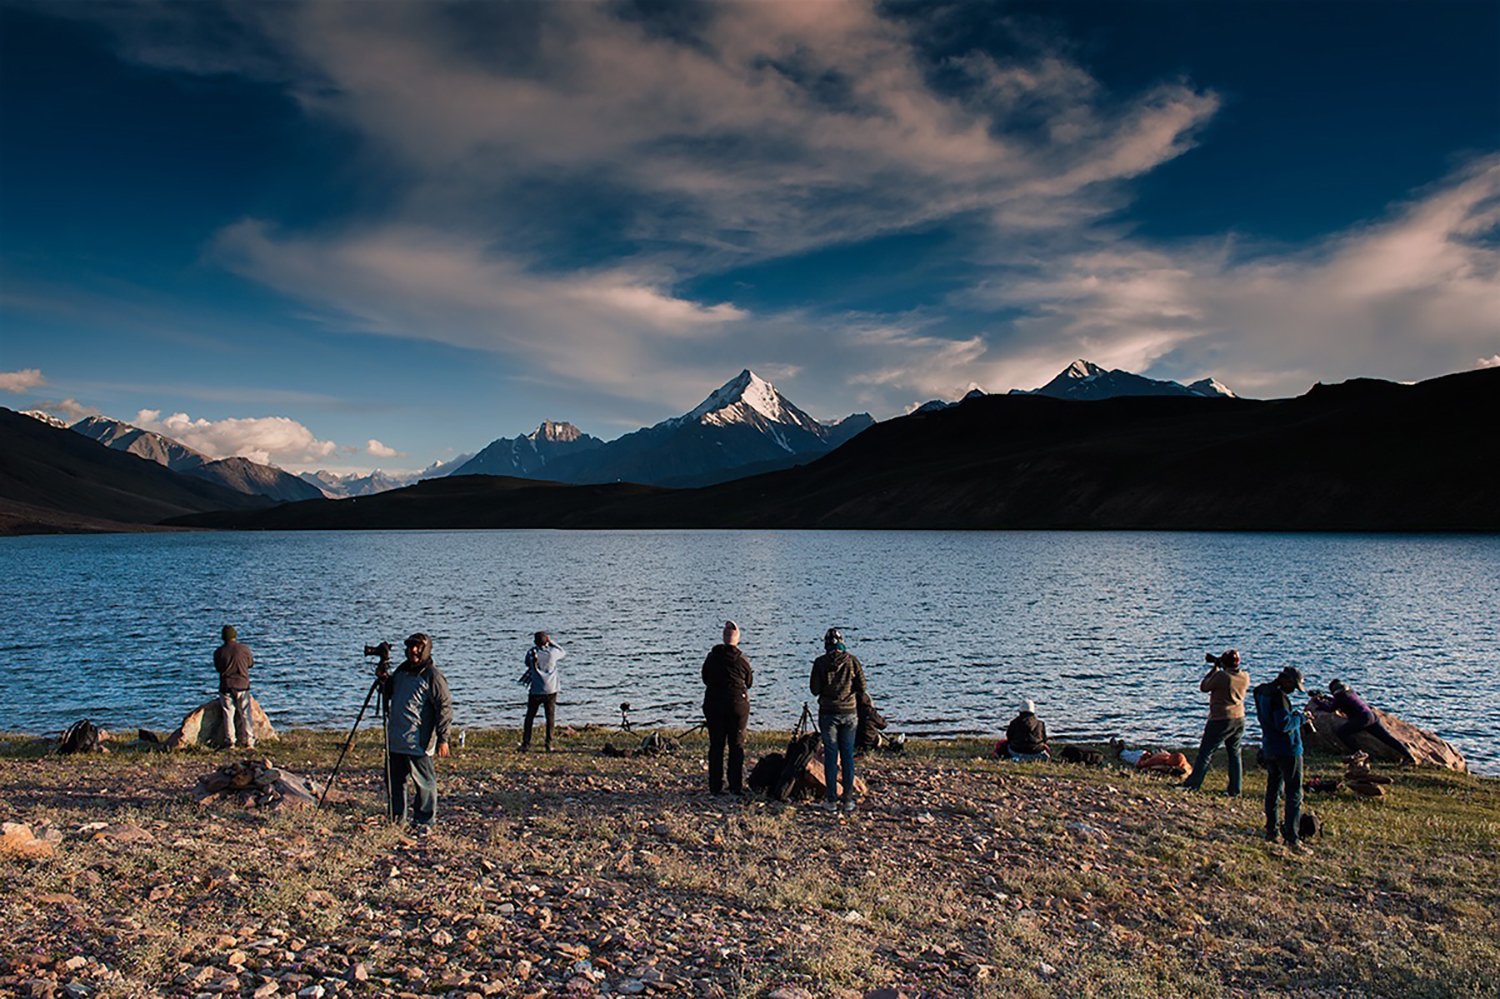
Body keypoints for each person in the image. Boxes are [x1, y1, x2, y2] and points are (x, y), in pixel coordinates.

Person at [384, 632, 452, 832]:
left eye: (418, 647)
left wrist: (443, 738)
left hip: (419, 741)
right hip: (396, 739)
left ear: (426, 649)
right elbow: (388, 693)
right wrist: (383, 679)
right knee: (395, 782)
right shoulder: (401, 671)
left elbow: (444, 707)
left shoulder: (433, 675)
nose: (413, 651)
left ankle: (424, 821)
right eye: (410, 646)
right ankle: (397, 819)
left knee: (425, 783)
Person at [810, 627, 867, 813]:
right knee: (848, 754)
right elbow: (862, 686)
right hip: (849, 712)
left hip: (828, 713)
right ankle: (848, 799)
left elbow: (814, 689)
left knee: (831, 755)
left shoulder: (819, 662)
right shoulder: (852, 661)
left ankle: (831, 799)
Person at [1180, 649, 1250, 795]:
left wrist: (1214, 669)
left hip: (1220, 719)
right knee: (1235, 755)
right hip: (1239, 718)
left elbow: (1204, 686)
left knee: (1206, 753)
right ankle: (1235, 790)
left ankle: (1193, 785)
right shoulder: (1245, 676)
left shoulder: (1222, 676)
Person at [1254, 666, 1308, 853]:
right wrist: (1301, 718)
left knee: (1273, 790)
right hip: (1288, 750)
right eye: (1293, 686)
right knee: (1294, 793)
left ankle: (1272, 831)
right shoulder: (1280, 698)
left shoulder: (1261, 691)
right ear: (1286, 681)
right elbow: (1284, 724)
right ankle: (1292, 839)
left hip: (1269, 747)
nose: (1293, 690)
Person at [701, 619, 753, 795]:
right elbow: (749, 681)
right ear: (737, 639)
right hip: (737, 705)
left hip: (714, 703)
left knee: (716, 745)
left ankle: (715, 785)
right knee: (736, 745)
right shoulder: (742, 659)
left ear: (723, 638)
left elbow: (705, 678)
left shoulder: (712, 657)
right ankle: (735, 785)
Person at [1323, 680, 1418, 765]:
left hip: (1361, 719)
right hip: (1371, 716)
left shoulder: (1340, 697)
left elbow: (1330, 709)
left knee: (1342, 732)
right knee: (1387, 738)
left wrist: (1318, 702)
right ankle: (1409, 757)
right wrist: (1326, 698)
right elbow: (1337, 702)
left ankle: (1358, 753)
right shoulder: (1350, 692)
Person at [518, 631, 565, 752]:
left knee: (530, 717)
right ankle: (548, 743)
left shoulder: (531, 653)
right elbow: (563, 651)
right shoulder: (552, 653)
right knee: (550, 717)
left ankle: (526, 743)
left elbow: (527, 663)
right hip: (551, 690)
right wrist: (551, 642)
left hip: (536, 690)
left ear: (535, 642)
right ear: (547, 640)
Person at [213, 624, 255, 750]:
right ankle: (249, 740)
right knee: (245, 714)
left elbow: (218, 668)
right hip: (242, 685)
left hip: (226, 686)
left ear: (223, 637)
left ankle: (230, 741)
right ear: (235, 636)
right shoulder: (244, 649)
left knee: (228, 714)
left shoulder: (219, 651)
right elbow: (250, 664)